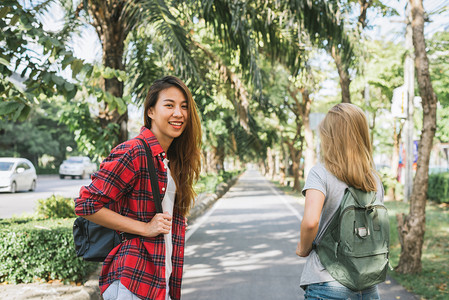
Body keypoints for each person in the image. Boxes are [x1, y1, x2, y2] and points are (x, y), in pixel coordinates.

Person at [75, 76, 202, 300]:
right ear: (151, 111)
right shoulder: (134, 151)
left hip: (160, 283)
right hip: (133, 282)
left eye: (184, 106)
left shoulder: (167, 161)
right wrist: (145, 228)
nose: (179, 113)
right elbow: (86, 205)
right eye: (169, 105)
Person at [296, 103, 383, 299]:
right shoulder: (373, 179)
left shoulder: (320, 173)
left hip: (327, 282)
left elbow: (311, 222)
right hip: (367, 284)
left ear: (330, 137)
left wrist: (303, 249)